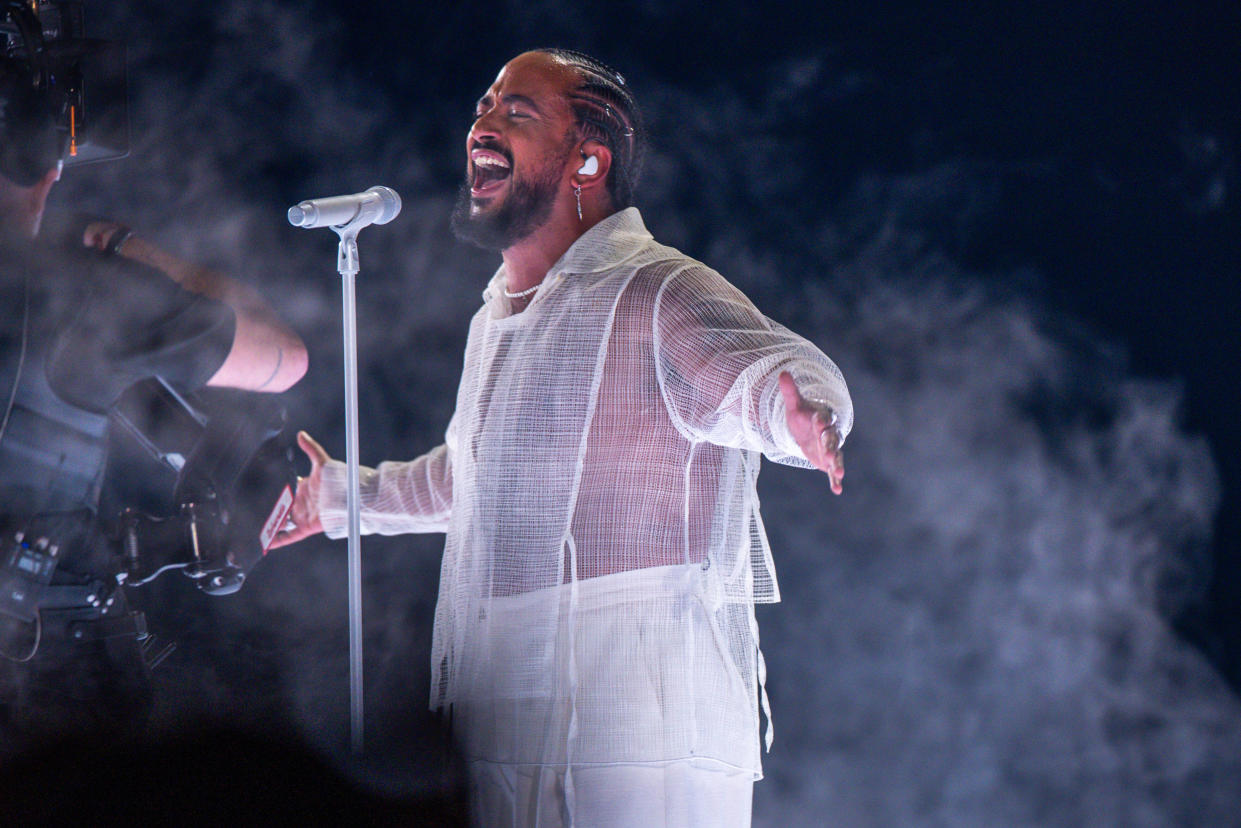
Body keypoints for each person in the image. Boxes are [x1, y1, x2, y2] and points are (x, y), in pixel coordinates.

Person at [275, 49, 851, 827]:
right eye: (482, 106)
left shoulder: (654, 287)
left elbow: (763, 375)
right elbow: (475, 477)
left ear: (587, 160)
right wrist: (349, 497)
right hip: (507, 691)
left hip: (636, 700)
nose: (481, 124)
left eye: (516, 113)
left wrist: (799, 417)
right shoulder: (495, 319)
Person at [0, 13, 307, 755]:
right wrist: (132, 253)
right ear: (51, 169)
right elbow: (283, 356)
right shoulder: (86, 291)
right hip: (46, 688)